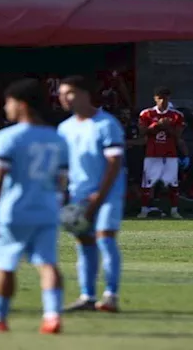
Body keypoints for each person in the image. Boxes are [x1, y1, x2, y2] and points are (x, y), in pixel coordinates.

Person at [0, 79, 67, 334]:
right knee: (48, 264)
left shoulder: (9, 136)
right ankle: (52, 316)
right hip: (47, 210)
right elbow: (62, 180)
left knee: (6, 266)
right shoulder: (57, 138)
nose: (5, 108)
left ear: (21, 104)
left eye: (8, 102)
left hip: (15, 210)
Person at [57, 75, 126, 312]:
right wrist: (61, 195)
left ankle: (111, 296)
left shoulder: (106, 124)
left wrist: (99, 195)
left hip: (108, 195)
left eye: (69, 93)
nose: (64, 98)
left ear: (85, 94)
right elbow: (63, 168)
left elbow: (114, 163)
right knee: (84, 243)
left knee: (105, 239)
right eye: (61, 94)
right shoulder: (64, 128)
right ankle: (87, 297)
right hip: (78, 195)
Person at [137, 87, 189, 219]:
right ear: (155, 99)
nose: (162, 101)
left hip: (170, 154)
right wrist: (156, 125)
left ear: (169, 99)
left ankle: (174, 211)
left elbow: (178, 135)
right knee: (147, 183)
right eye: (160, 98)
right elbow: (142, 132)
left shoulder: (176, 115)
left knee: (173, 183)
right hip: (152, 154)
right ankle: (144, 210)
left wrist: (167, 126)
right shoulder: (146, 113)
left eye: (165, 98)